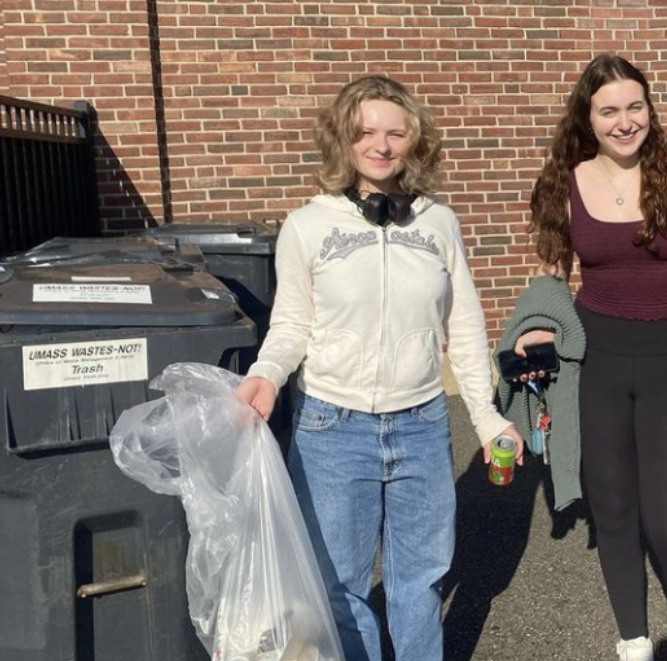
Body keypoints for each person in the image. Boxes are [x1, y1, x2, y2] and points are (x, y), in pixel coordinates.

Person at [233, 75, 523, 661]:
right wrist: (267, 373)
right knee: (341, 587)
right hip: (333, 430)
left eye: (396, 133)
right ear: (343, 139)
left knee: (421, 582)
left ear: (415, 141)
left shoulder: (439, 222)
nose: (382, 146)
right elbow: (292, 323)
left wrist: (487, 418)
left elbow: (463, 326)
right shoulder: (307, 225)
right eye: (366, 132)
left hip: (421, 423)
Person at [515, 54, 667, 661]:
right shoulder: (563, 183)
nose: (624, 121)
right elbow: (552, 280)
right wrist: (535, 332)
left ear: (650, 110)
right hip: (597, 362)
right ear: (589, 116)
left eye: (635, 106)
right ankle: (632, 638)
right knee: (614, 511)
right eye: (609, 110)